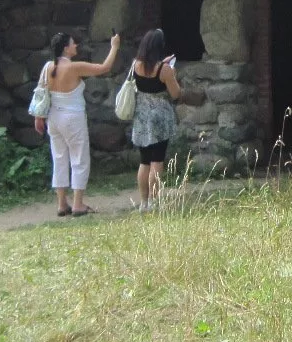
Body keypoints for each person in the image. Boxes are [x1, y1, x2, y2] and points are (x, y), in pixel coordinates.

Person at [33, 30, 120, 217]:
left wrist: (38, 117)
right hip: (73, 118)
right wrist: (114, 47)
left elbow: (40, 93)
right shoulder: (74, 67)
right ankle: (78, 204)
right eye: (73, 44)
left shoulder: (48, 66)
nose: (76, 46)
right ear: (66, 48)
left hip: (53, 118)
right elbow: (105, 67)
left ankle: (61, 203)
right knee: (79, 159)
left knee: (59, 158)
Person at [130, 28, 181, 212]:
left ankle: (144, 202)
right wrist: (171, 71)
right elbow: (175, 94)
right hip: (160, 116)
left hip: (142, 116)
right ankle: (154, 201)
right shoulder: (164, 69)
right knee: (157, 160)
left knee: (144, 161)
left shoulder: (135, 65)